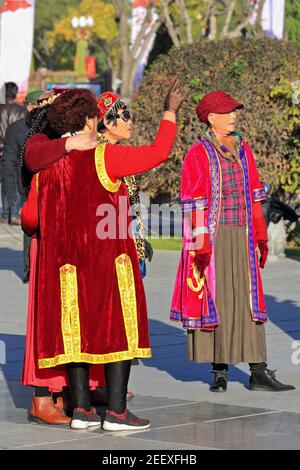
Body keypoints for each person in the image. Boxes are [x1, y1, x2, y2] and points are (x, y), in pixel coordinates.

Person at [24, 83, 183, 430]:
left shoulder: (48, 164)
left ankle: (81, 410)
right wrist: (170, 112)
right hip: (109, 262)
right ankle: (116, 412)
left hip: (65, 266)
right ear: (92, 119)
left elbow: (30, 218)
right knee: (120, 331)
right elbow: (158, 152)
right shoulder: (105, 156)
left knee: (74, 334)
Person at [171, 89, 295, 393]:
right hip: (213, 239)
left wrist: (260, 234)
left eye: (234, 111)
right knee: (219, 300)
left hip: (242, 235)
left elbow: (255, 192)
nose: (234, 116)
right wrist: (201, 243)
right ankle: (220, 370)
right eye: (227, 112)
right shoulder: (198, 153)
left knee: (249, 302)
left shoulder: (243, 149)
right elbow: (192, 200)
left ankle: (258, 371)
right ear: (211, 118)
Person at [1, 90, 44, 282]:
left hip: (51, 186)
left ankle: (44, 269)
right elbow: (8, 162)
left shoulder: (51, 127)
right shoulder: (16, 129)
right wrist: (10, 192)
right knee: (30, 228)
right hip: (27, 187)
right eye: (39, 104)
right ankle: (30, 270)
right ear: (30, 106)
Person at [0, 82, 26, 221]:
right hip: (14, 148)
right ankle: (14, 213)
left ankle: (4, 214)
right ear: (15, 93)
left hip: (1, 148)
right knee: (15, 180)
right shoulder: (21, 110)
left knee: (5, 180)